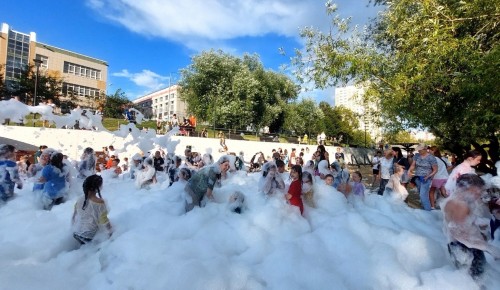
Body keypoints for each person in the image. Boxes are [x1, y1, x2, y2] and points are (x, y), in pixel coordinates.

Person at [443, 174, 500, 280]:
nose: (479, 194)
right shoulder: (461, 206)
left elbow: (457, 225)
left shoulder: (452, 201)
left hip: (456, 246)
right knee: (477, 278)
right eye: (478, 191)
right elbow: (461, 235)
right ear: (468, 188)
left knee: (467, 277)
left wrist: (478, 224)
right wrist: (489, 248)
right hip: (466, 249)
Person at [72, 175, 112, 245]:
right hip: (88, 236)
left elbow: (74, 216)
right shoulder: (100, 202)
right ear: (97, 187)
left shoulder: (80, 199)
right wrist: (111, 233)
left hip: (76, 233)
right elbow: (104, 221)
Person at [408, 144, 437, 211]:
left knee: (422, 195)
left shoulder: (431, 157)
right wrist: (409, 170)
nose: (419, 151)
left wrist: (428, 176)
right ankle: (424, 208)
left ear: (425, 149)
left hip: (426, 179)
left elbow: (435, 169)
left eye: (420, 149)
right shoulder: (417, 155)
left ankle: (428, 212)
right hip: (418, 178)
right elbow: (413, 165)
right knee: (421, 194)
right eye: (418, 149)